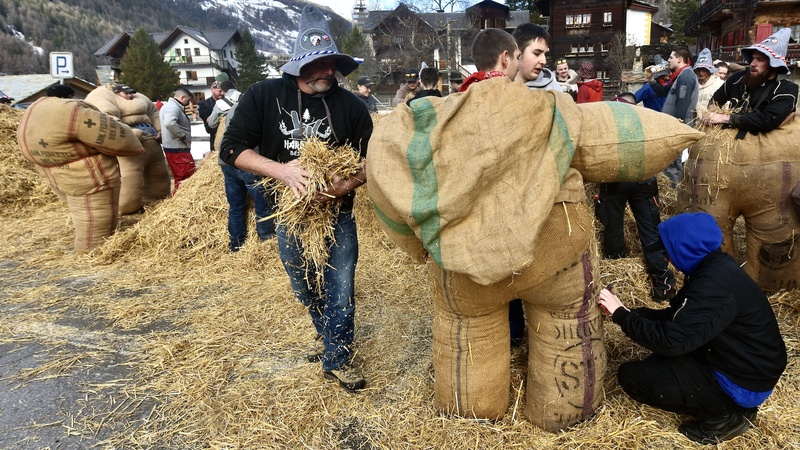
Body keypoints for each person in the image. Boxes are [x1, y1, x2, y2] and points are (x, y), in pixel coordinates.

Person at [220, 4, 372, 392]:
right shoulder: (263, 96)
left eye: (332, 63)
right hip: (288, 214)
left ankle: (338, 356)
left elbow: (374, 161)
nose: (328, 71)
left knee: (341, 285)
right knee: (304, 285)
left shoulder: (352, 106)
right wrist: (284, 171)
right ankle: (327, 337)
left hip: (335, 213)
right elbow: (232, 149)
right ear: (298, 66)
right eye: (319, 63)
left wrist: (347, 184)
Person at [598, 212, 786, 445]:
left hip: (742, 384)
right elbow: (678, 319)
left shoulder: (713, 287)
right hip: (738, 362)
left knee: (633, 377)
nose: (666, 259)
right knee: (653, 364)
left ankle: (726, 417)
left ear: (685, 250)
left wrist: (622, 317)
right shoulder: (713, 268)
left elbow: (671, 342)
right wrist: (631, 313)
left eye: (668, 252)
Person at [17, 94, 144, 252]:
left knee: (82, 213)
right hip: (88, 176)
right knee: (95, 220)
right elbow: (118, 137)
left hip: (56, 173)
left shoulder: (35, 108)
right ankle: (93, 252)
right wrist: (135, 138)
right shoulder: (75, 111)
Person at [596, 96, 677, 301]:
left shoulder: (606, 123)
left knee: (613, 227)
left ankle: (619, 283)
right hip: (643, 179)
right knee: (650, 230)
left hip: (615, 179)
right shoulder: (646, 121)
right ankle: (663, 286)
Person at [208, 81, 276, 252]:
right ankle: (266, 243)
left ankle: (237, 244)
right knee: (263, 203)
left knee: (236, 205)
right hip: (246, 162)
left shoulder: (233, 109)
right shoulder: (258, 111)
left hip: (228, 161)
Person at [85, 83, 171, 214]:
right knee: (131, 177)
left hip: (152, 142)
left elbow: (154, 113)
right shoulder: (103, 98)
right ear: (117, 92)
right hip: (131, 146)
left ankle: (158, 199)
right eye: (126, 93)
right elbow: (108, 119)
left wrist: (160, 130)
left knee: (159, 173)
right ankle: (129, 208)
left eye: (131, 93)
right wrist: (131, 134)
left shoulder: (141, 99)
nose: (130, 95)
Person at [703, 28, 798, 136]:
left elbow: (767, 120)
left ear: (774, 65)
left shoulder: (786, 89)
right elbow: (715, 101)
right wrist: (711, 113)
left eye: (760, 59)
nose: (752, 63)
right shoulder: (737, 79)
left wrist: (725, 118)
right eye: (753, 58)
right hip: (728, 142)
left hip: (762, 148)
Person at [661, 46, 698, 186]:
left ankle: (674, 189)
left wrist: (677, 124)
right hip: (675, 125)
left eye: (671, 57)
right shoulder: (680, 76)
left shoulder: (685, 76)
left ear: (679, 59)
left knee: (675, 160)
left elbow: (683, 102)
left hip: (678, 126)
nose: (668, 60)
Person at [160, 88, 196, 192]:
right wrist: (183, 137)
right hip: (178, 148)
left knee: (182, 176)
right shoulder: (173, 107)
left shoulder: (166, 106)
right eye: (188, 100)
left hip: (174, 148)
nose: (188, 103)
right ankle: (181, 201)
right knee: (185, 177)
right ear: (182, 97)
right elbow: (170, 123)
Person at [511, 23, 563, 92]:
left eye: (545, 54)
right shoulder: (500, 89)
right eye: (537, 53)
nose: (544, 61)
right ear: (518, 53)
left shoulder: (555, 91)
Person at [694, 48, 725, 118]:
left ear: (709, 70)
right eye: (699, 70)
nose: (701, 73)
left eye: (704, 70)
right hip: (696, 123)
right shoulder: (694, 84)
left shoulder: (719, 84)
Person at [198, 74, 227, 151]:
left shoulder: (228, 101)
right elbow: (210, 122)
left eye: (223, 91)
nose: (222, 93)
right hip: (215, 137)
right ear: (212, 89)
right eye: (220, 91)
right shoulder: (204, 105)